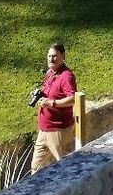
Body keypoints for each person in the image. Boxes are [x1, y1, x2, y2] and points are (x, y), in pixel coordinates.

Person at [30, 42, 77, 174]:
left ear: (63, 56)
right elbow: (51, 92)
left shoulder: (66, 76)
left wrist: (51, 103)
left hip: (58, 131)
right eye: (49, 56)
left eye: (55, 56)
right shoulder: (51, 73)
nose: (51, 59)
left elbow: (72, 99)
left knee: (67, 167)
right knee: (36, 168)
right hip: (44, 130)